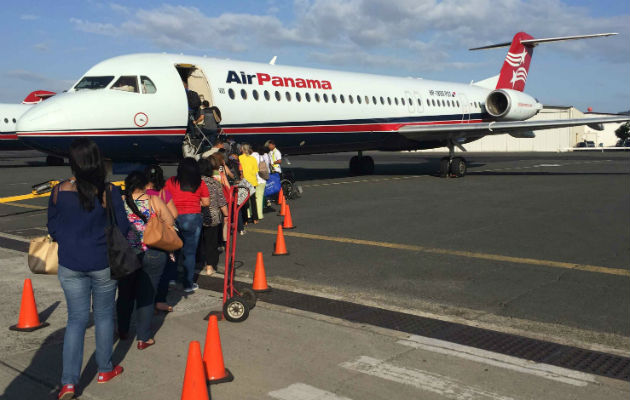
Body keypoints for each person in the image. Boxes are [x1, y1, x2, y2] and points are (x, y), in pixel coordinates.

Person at [47, 138, 129, 400]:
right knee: (104, 316)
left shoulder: (59, 191)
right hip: (103, 262)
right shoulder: (109, 191)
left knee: (76, 320)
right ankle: (105, 369)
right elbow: (124, 227)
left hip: (71, 263)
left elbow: (53, 227)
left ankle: (69, 383)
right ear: (97, 161)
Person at [117, 171, 174, 350]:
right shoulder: (153, 200)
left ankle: (123, 330)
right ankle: (143, 338)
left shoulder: (120, 201)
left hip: (127, 253)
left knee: (125, 294)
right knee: (146, 296)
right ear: (145, 185)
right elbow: (170, 220)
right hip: (153, 251)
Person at [165, 158, 210, 293]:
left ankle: (171, 279)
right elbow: (206, 203)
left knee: (173, 250)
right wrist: (196, 203)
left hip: (174, 217)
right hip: (193, 217)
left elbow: (165, 198)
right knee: (189, 253)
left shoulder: (171, 181)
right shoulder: (199, 183)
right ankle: (188, 284)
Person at [144, 165, 178, 312]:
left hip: (143, 237)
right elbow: (174, 214)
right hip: (161, 238)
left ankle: (145, 300)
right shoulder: (163, 194)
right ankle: (160, 300)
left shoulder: (141, 193)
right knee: (165, 270)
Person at [199, 156, 228, 275]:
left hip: (197, 215)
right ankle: (210, 266)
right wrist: (226, 215)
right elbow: (222, 202)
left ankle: (198, 261)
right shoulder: (214, 183)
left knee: (199, 240)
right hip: (213, 216)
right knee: (212, 242)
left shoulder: (195, 182)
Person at [238, 143, 259, 223]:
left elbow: (240, 169)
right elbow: (256, 170)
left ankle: (245, 220)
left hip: (244, 182)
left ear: (242, 150)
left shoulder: (240, 158)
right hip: (253, 181)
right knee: (253, 201)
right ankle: (255, 219)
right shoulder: (253, 158)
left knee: (244, 202)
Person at [251, 145, 269, 220]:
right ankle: (260, 214)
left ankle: (251, 214)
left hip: (255, 180)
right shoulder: (264, 156)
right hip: (263, 179)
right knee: (259, 199)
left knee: (251, 199)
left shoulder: (252, 156)